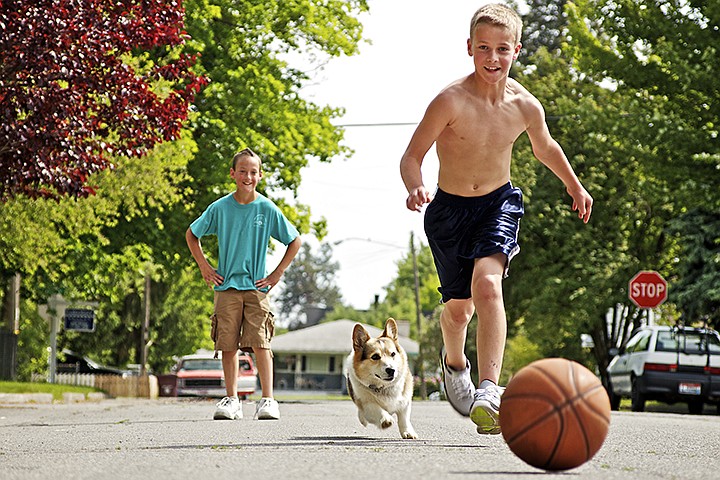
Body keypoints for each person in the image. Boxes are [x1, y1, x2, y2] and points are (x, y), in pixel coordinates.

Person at [400, 3, 593, 435]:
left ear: (517, 50)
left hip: (498, 204)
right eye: (484, 48)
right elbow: (413, 156)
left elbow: (545, 148)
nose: (492, 58)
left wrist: (575, 185)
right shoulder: (449, 100)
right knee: (457, 312)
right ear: (469, 48)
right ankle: (455, 365)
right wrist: (415, 186)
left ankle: (489, 389)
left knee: (487, 286)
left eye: (502, 49)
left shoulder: (525, 105)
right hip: (448, 211)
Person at [186, 148, 302, 421]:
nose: (247, 176)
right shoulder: (219, 208)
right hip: (226, 286)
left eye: (253, 172)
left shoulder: (267, 208)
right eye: (242, 171)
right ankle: (232, 399)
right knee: (227, 343)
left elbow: (293, 240)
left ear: (260, 175)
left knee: (262, 342)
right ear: (233, 174)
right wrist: (205, 267)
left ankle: (268, 400)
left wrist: (277, 273)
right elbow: (192, 234)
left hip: (257, 287)